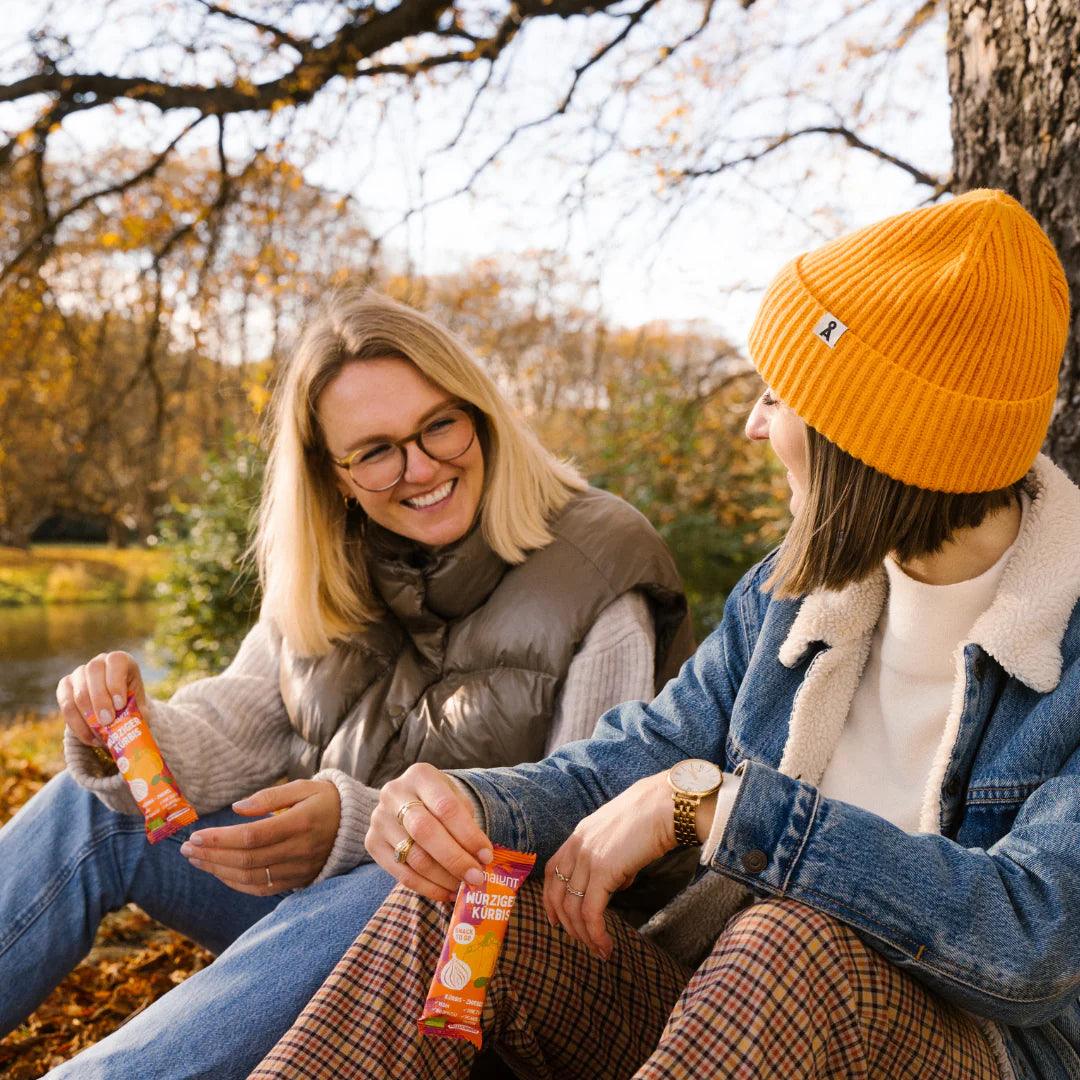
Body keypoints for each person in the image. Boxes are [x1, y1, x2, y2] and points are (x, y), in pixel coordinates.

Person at [252, 190, 1080, 1080]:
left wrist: (722, 808)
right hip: (726, 1035)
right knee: (462, 905)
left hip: (961, 1054)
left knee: (792, 942)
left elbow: (1030, 938)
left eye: (779, 396)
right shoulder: (791, 593)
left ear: (871, 439)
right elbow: (639, 755)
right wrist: (469, 805)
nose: (754, 424)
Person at [0, 290, 694, 1079]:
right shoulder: (334, 561)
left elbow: (588, 834)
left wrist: (359, 820)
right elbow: (241, 723)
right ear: (332, 476)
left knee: (406, 882)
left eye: (439, 425)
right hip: (342, 921)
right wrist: (125, 730)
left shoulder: (600, 567)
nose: (422, 468)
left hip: (522, 966)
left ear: (482, 414)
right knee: (91, 808)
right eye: (374, 451)